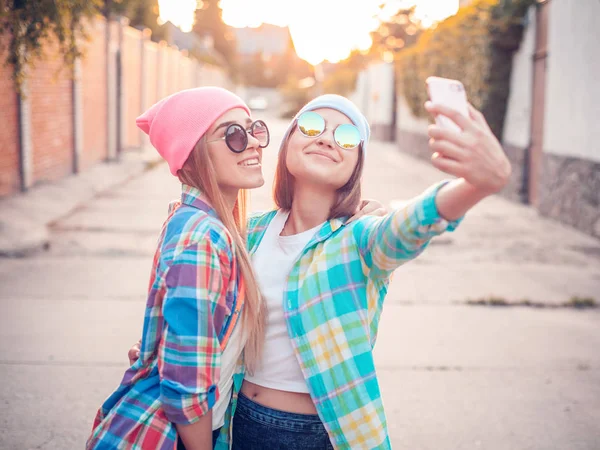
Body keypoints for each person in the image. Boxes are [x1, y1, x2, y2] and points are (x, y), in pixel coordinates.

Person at [129, 94, 511, 450]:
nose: (327, 138)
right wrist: (162, 355)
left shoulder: (360, 239)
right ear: (286, 144)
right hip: (238, 422)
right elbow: (201, 314)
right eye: (311, 126)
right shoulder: (249, 232)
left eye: (346, 136)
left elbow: (409, 227)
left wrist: (474, 186)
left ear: (356, 164)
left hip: (320, 434)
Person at [86, 86, 270, 450]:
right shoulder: (204, 238)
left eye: (254, 129)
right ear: (192, 156)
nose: (252, 143)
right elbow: (187, 385)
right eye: (233, 134)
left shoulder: (206, 224)